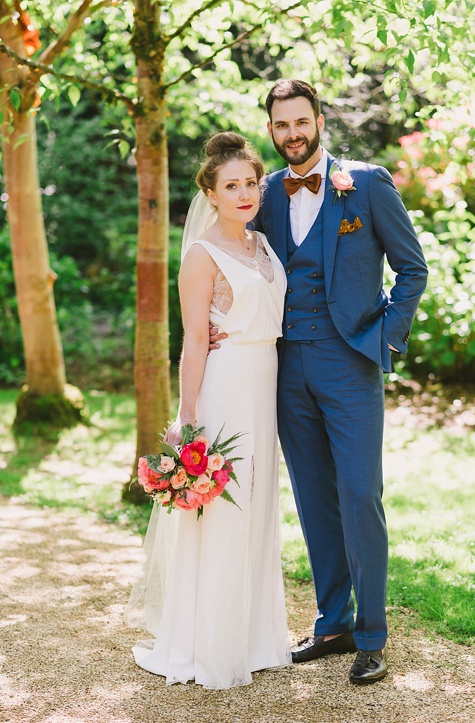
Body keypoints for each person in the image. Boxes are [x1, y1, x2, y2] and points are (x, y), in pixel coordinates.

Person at [238, 79, 427, 685]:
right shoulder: (264, 193)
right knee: (314, 498)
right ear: (271, 131)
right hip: (286, 365)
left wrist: (385, 337)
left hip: (350, 363)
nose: (292, 133)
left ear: (319, 119)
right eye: (281, 125)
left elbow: (412, 269)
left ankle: (372, 633)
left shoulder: (366, 184)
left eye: (301, 121)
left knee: (359, 495)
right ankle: (334, 622)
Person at [126, 132, 291, 688]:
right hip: (223, 390)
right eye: (232, 185)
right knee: (224, 512)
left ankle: (252, 638)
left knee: (259, 507)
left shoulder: (265, 245)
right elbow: (195, 340)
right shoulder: (201, 255)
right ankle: (208, 643)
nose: (245, 193)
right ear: (211, 193)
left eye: (251, 183)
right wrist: (188, 417)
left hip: (264, 385)